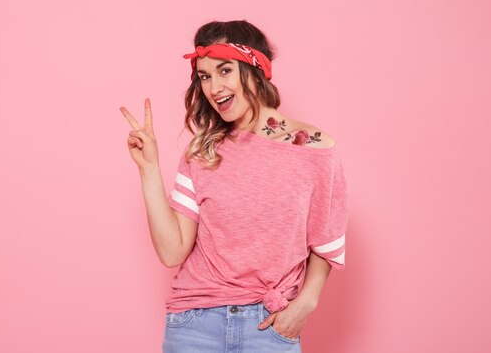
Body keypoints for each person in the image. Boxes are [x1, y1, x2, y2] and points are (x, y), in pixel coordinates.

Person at [120, 20, 349, 353]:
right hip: (194, 327)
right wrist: (150, 170)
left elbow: (327, 240)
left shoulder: (314, 150)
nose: (214, 88)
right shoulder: (203, 152)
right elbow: (172, 252)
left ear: (255, 69)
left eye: (224, 71)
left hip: (269, 328)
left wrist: (306, 303)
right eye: (205, 76)